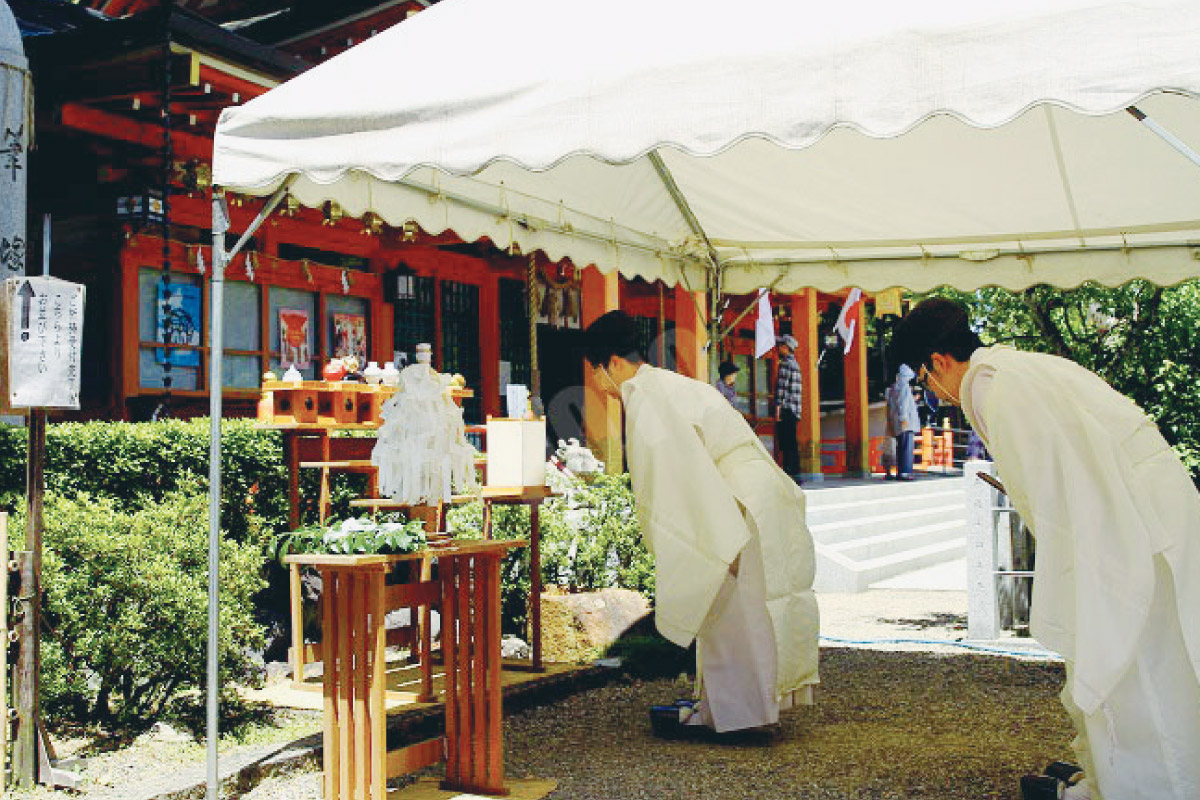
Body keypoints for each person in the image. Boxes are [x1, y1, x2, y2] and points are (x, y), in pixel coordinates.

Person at [890, 298, 1200, 800]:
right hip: (1150, 514)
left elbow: (1062, 495)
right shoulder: (1019, 369)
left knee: (1131, 666)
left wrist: (1076, 578)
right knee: (1161, 662)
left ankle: (1149, 789)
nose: (933, 393)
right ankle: (1116, 779)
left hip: (1129, 528)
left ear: (940, 362)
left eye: (925, 378)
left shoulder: (998, 389)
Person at [583, 310, 819, 735]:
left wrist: (705, 540)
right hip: (756, 490)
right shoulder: (669, 383)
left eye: (596, 372)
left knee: (732, 611)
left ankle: (741, 716)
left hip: (732, 499)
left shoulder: (645, 396)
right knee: (757, 606)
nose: (598, 385)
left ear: (613, 363)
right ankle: (736, 708)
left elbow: (676, 475)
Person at [884, 364, 921, 480]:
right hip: (906, 423)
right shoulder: (904, 386)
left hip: (897, 423)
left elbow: (893, 405)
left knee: (900, 448)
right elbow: (903, 403)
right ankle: (905, 472)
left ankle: (901, 471)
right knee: (907, 448)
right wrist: (903, 418)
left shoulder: (893, 387)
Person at [774, 334, 803, 482]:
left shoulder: (785, 364)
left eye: (780, 345)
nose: (778, 348)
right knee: (792, 443)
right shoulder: (796, 364)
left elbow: (782, 388)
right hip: (795, 409)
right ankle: (796, 474)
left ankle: (788, 474)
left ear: (786, 347)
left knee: (785, 443)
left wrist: (777, 409)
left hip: (786, 409)